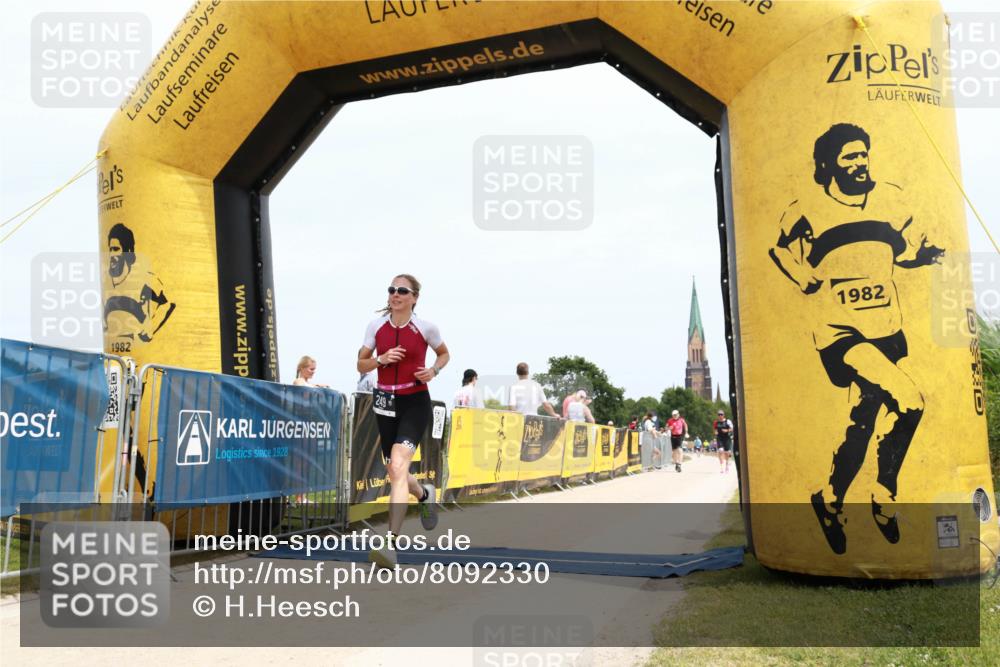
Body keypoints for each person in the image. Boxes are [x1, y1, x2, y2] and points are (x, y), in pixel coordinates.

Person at [769, 123, 941, 555]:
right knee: (911, 400)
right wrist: (802, 274)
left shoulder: (891, 199)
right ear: (828, 164)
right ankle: (884, 496)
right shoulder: (807, 207)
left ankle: (828, 500)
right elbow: (780, 248)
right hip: (840, 332)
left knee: (860, 425)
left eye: (863, 154)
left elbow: (899, 254)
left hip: (887, 327)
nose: (860, 162)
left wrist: (921, 258)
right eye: (849, 156)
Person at [357, 274, 449, 568]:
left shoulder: (426, 327)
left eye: (402, 291)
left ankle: (390, 544)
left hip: (414, 400)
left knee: (398, 466)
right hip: (384, 401)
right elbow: (361, 363)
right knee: (394, 470)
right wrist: (381, 360)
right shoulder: (376, 326)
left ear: (414, 298)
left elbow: (445, 354)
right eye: (391, 290)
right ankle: (424, 494)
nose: (395, 294)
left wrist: (433, 370)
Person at [103, 222, 175, 347]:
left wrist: (150, 328)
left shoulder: (144, 279)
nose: (112, 255)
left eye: (116, 249)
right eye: (110, 250)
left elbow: (167, 304)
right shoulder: (106, 284)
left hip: (145, 359)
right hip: (116, 360)